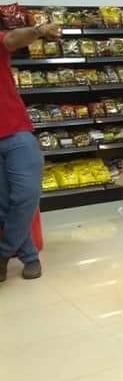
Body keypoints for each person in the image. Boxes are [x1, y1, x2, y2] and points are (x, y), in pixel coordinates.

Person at [0, 21, 60, 281]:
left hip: (16, 131)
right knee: (3, 204)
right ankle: (30, 257)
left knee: (26, 195)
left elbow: (13, 38)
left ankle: (2, 254)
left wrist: (37, 31)